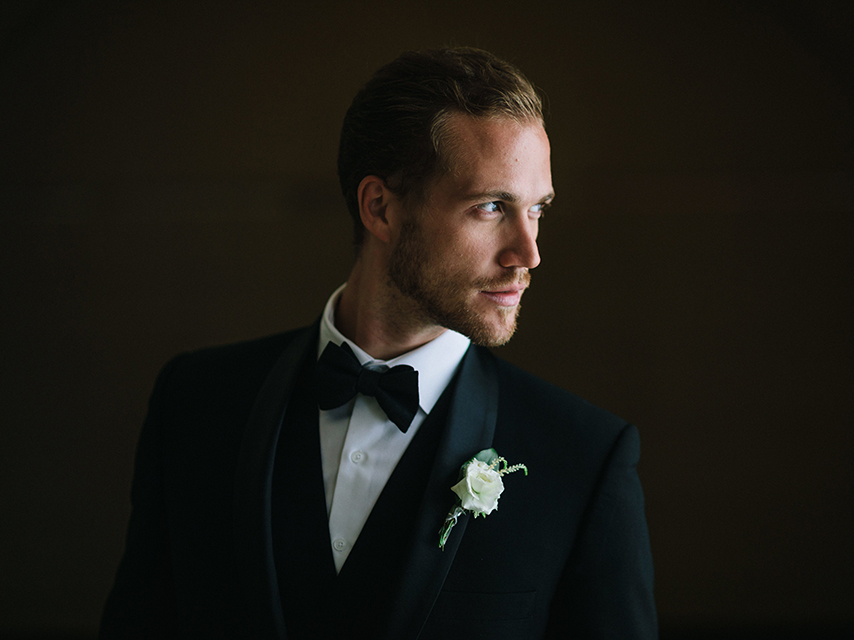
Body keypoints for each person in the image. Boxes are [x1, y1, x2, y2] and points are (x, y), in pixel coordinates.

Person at [100, 47, 657, 639]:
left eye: (537, 209)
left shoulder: (584, 457)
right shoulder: (195, 404)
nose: (529, 254)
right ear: (380, 208)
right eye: (491, 207)